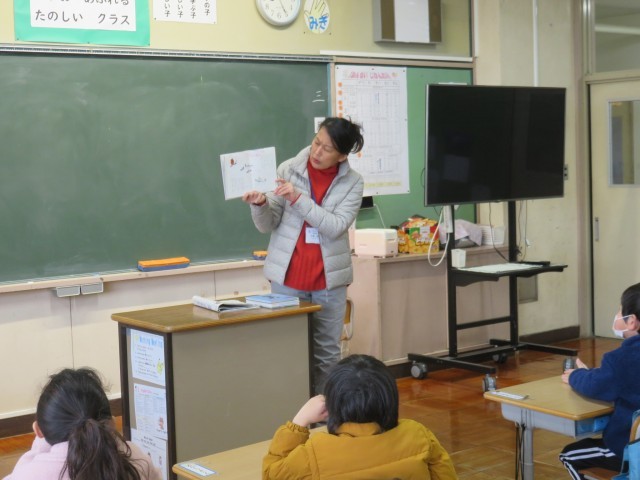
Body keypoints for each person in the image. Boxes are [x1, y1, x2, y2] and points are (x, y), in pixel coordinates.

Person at [242, 117, 364, 394]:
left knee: (326, 355)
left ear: (342, 156)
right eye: (316, 142)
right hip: (287, 279)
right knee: (286, 352)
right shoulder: (288, 169)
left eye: (327, 149)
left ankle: (323, 412)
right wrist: (260, 205)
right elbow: (267, 224)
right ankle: (290, 411)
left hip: (328, 282)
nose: (316, 152)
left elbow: (334, 226)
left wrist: (298, 198)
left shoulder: (353, 183)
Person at [262, 354, 457, 479]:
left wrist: (299, 422)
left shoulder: (314, 452)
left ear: (332, 403)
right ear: (390, 397)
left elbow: (271, 474)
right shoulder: (417, 434)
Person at [3, 368, 162, 480]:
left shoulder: (29, 474)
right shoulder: (136, 458)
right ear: (112, 423)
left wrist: (39, 447)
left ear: (38, 430)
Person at [559, 282, 640, 479]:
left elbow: (595, 386)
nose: (618, 314)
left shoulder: (621, 359)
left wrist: (576, 375)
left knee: (569, 455)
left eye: (620, 310)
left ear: (632, 321)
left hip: (630, 449)